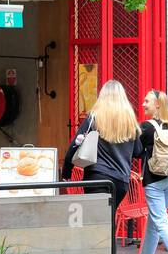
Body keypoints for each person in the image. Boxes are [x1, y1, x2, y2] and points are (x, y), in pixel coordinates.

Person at [61, 79, 143, 211]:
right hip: (121, 180)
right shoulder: (129, 120)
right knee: (110, 219)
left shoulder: (94, 117)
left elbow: (75, 144)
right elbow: (138, 151)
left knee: (97, 221)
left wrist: (66, 172)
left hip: (97, 177)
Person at [134, 89, 168, 254]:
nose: (143, 104)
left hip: (153, 180)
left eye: (147, 101)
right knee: (155, 220)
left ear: (157, 105)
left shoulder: (147, 127)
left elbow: (137, 152)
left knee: (160, 220)